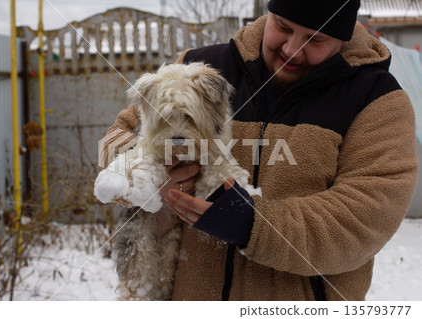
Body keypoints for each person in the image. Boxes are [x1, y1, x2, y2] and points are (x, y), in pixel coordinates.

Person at [102, 0, 418, 300]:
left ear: (343, 37)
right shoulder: (200, 71)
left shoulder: (377, 99)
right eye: (283, 26)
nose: (293, 49)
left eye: (316, 39)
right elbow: (117, 139)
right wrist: (146, 177)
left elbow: (363, 218)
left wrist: (254, 225)